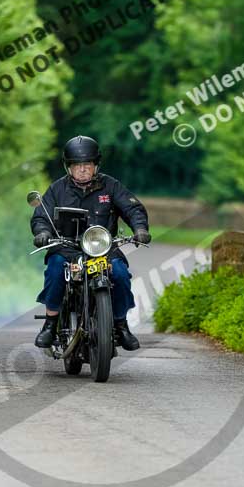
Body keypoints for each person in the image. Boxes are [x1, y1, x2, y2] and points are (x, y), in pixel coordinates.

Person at [31, 135, 151, 351]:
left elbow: (133, 208)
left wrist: (140, 229)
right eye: (77, 165)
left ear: (96, 165)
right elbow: (41, 216)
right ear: (69, 167)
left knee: (121, 274)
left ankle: (121, 324)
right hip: (66, 248)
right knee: (55, 270)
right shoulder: (57, 189)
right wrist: (42, 232)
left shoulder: (111, 186)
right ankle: (50, 324)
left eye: (88, 164)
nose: (83, 169)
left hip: (103, 250)